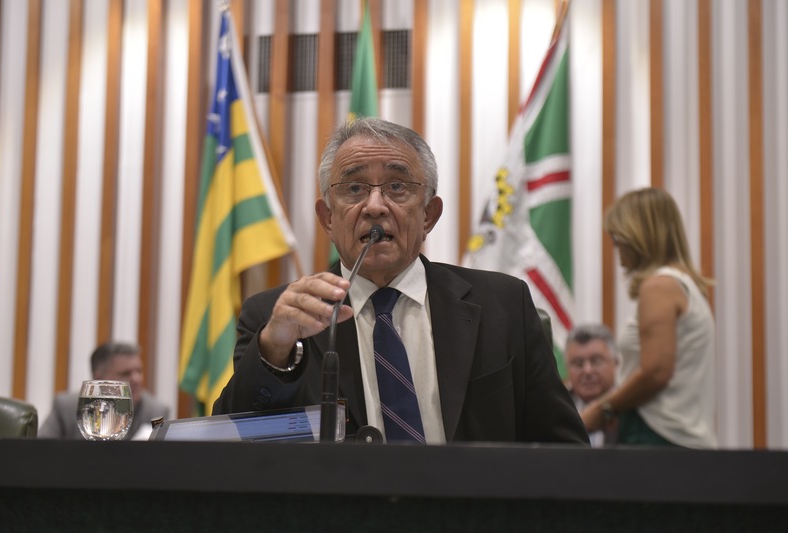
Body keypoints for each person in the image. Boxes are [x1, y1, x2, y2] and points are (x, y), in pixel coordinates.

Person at [213, 117, 588, 445]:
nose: (375, 206)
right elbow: (232, 444)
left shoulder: (503, 305)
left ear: (428, 215)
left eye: (397, 187)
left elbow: (563, 449)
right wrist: (274, 350)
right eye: (354, 188)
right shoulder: (276, 317)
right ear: (328, 218)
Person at [580, 187, 717, 448]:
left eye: (617, 238)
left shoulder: (659, 287)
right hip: (681, 437)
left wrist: (604, 408)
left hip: (658, 437)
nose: (616, 247)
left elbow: (656, 372)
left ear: (637, 236)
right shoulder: (686, 286)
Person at [38, 342, 169, 440]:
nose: (136, 379)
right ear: (98, 378)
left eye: (139, 372)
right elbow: (42, 449)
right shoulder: (67, 407)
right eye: (125, 373)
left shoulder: (157, 411)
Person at [565, 324, 619, 447]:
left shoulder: (631, 407)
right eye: (578, 363)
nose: (587, 371)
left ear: (616, 362)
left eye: (596, 361)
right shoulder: (556, 409)